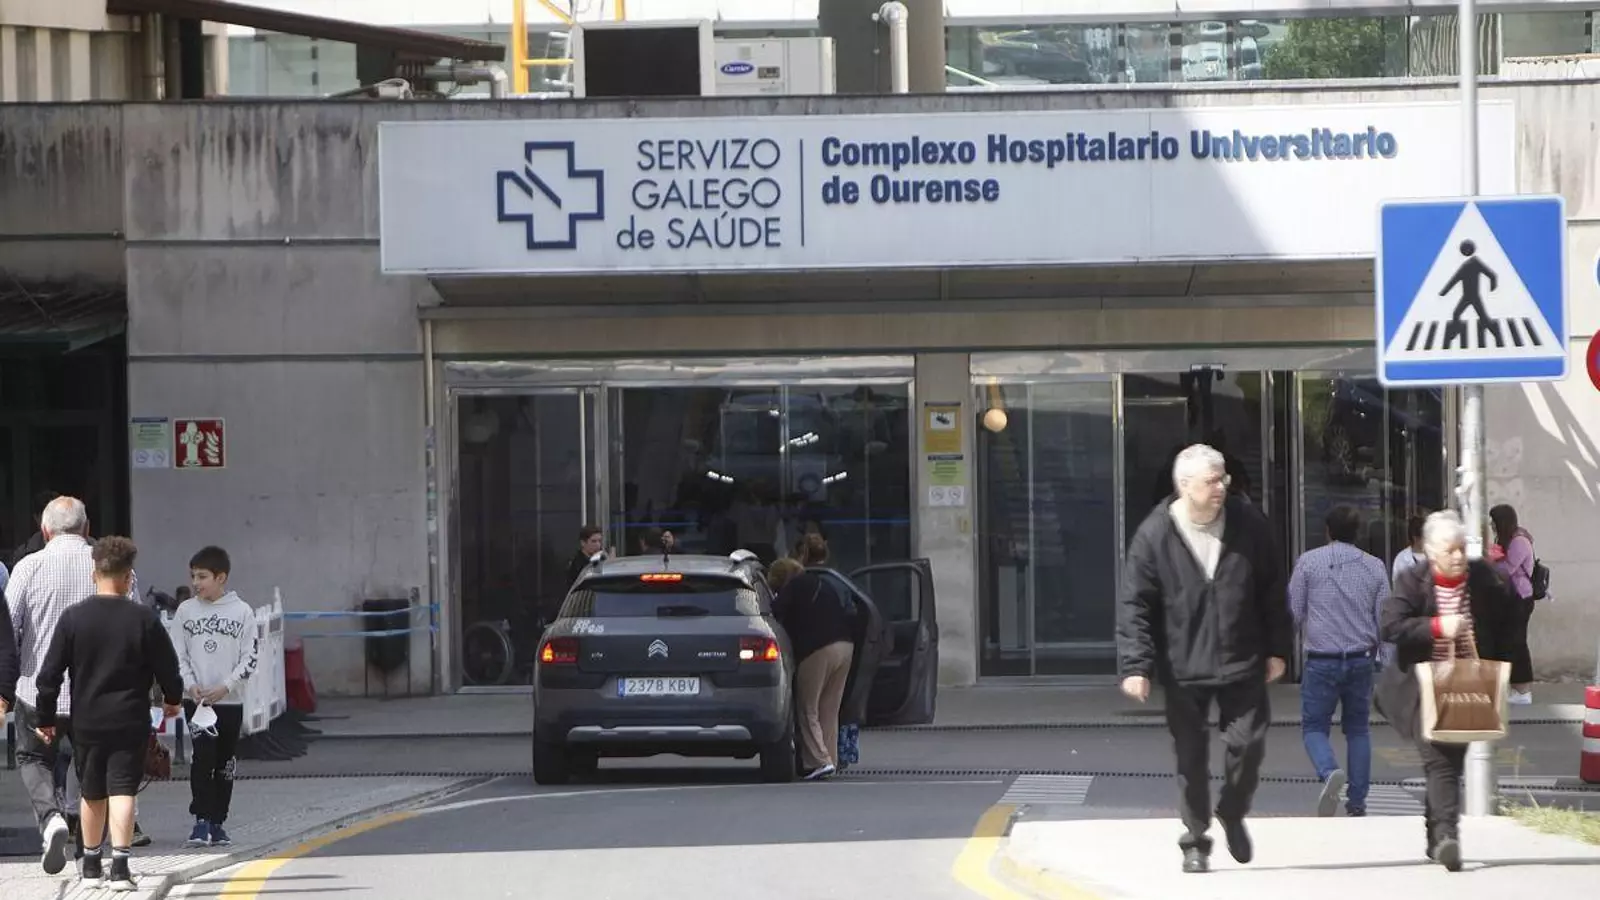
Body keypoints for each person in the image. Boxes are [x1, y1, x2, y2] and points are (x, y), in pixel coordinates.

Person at [1116, 443, 1290, 875]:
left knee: (1248, 745)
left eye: (1223, 479)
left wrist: (1278, 649)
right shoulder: (1154, 534)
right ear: (1184, 485)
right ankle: (1195, 840)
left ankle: (1232, 809)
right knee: (1191, 758)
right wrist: (1137, 666)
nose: (1221, 488)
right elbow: (1135, 603)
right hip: (1184, 663)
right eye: (1211, 481)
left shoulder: (1249, 523)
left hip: (1242, 656)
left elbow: (1272, 588)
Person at [31, 536, 184, 890]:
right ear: (129, 577)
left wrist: (46, 718)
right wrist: (173, 700)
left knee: (92, 792)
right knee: (123, 790)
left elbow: (49, 675)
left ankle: (90, 866)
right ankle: (120, 868)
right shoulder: (144, 619)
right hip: (130, 719)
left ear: (93, 574)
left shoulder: (73, 618)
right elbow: (168, 668)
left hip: (87, 721)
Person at [1376, 510, 1513, 872]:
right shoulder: (1411, 580)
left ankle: (1435, 835)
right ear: (1432, 552)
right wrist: (1437, 626)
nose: (1457, 557)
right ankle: (1448, 836)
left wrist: (1514, 670)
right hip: (1422, 687)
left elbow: (1506, 621)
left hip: (1468, 684)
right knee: (1439, 760)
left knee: (1449, 763)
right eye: (1449, 550)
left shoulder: (1483, 578)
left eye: (1461, 549)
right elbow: (1390, 626)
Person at [6, 495, 99, 874]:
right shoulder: (107, 567)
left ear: (44, 531)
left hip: (36, 690)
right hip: (94, 692)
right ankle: (90, 853)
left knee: (33, 758)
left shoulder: (28, 567)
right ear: (87, 529)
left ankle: (51, 818)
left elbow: (8, 628)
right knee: (92, 767)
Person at [1288, 505, 1389, 817]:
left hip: (1321, 659)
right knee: (1358, 730)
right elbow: (1384, 618)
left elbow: (1294, 610)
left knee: (1313, 727)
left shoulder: (1308, 562)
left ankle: (1329, 770)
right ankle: (1357, 802)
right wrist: (1385, 660)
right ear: (1358, 533)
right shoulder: (1375, 566)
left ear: (1327, 531)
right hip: (1361, 659)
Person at [171, 545, 259, 848]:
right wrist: (190, 685)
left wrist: (226, 686)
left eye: (203, 576)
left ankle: (219, 821)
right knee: (202, 757)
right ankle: (201, 819)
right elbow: (178, 654)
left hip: (229, 701)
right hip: (197, 703)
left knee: (225, 761)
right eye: (193, 576)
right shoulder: (186, 611)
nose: (196, 583)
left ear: (221, 577)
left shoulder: (242, 612)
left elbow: (250, 657)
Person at [768, 553, 853, 781]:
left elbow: (775, 611)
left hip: (817, 649)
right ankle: (830, 759)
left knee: (808, 707)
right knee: (829, 708)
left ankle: (819, 761)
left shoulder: (794, 586)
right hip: (845, 646)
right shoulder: (822, 584)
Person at [1487, 504, 1536, 705]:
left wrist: (1489, 561)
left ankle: (1523, 690)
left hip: (1520, 598)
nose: (1491, 525)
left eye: (1494, 522)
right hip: (1507, 599)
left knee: (1517, 643)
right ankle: (1514, 688)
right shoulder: (1505, 540)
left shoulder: (1519, 541)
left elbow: (1507, 569)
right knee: (1507, 642)